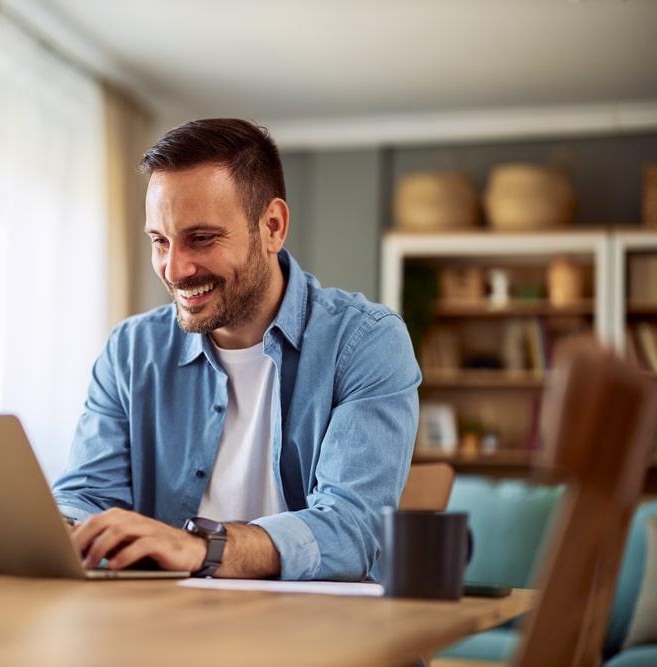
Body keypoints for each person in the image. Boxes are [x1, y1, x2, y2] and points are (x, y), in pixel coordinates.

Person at [52, 118, 421, 581]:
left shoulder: (367, 342)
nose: (174, 269)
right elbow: (87, 497)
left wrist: (199, 549)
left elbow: (351, 530)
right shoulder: (130, 351)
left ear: (272, 227)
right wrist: (57, 527)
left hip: (318, 622)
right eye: (160, 241)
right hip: (165, 618)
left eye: (201, 239)